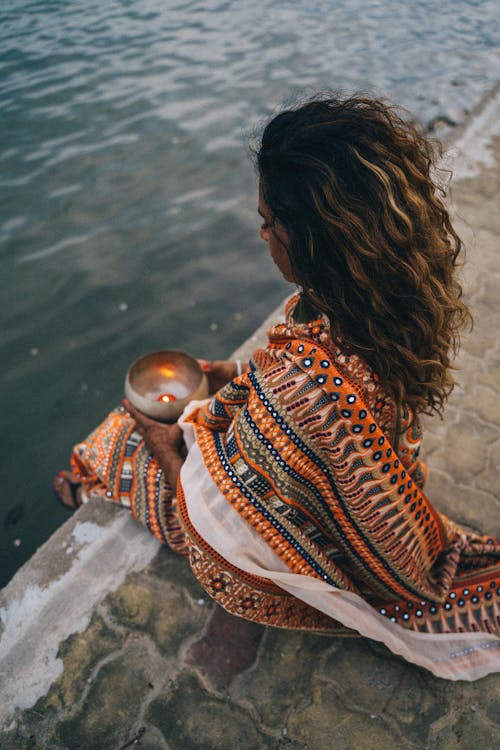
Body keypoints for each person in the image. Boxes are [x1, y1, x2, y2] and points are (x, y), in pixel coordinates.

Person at [54, 94, 500, 680]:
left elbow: (230, 509)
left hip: (323, 531)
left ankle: (78, 485)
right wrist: (239, 380)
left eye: (270, 223)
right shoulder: (386, 296)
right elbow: (303, 408)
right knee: (194, 419)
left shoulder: (299, 385)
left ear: (315, 237)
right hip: (370, 480)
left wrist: (162, 443)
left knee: (114, 445)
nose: (262, 235)